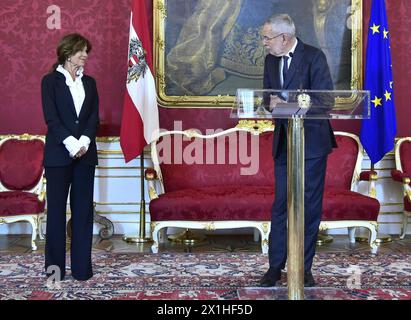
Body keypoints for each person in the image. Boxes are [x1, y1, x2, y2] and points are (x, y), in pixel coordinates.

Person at [259, 14, 337, 287]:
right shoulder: (270, 59)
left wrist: (288, 101)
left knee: (308, 208)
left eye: (267, 38)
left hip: (312, 144)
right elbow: (265, 98)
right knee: (281, 205)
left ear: (284, 37)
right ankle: (274, 268)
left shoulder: (314, 57)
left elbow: (326, 100)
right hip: (285, 143)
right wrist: (270, 102)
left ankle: (303, 269)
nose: (264, 43)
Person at [41, 33, 99, 281]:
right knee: (55, 213)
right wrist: (71, 143)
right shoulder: (49, 81)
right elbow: (51, 118)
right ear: (67, 53)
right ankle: (54, 271)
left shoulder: (91, 83)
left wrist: (84, 141)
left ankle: (82, 270)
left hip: (85, 155)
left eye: (86, 51)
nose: (85, 55)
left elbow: (93, 117)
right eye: (80, 51)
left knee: (83, 212)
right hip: (58, 155)